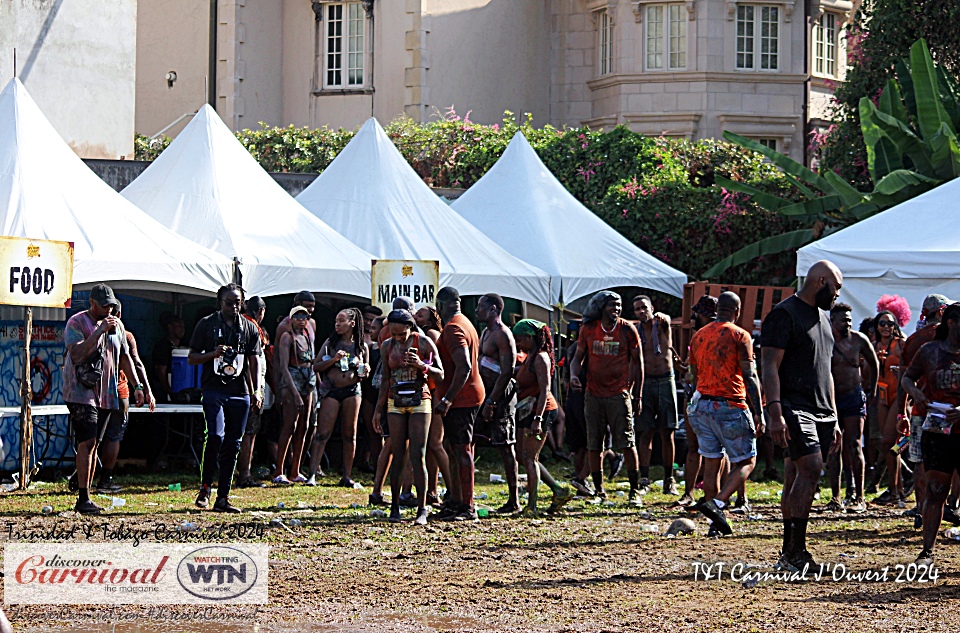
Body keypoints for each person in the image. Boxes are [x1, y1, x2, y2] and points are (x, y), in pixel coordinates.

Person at [761, 260, 842, 572]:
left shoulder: (822, 319)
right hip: (794, 406)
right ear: (820, 281)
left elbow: (828, 372)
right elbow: (769, 365)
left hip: (823, 410)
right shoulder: (784, 314)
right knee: (811, 467)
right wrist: (775, 411)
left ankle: (788, 553)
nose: (836, 295)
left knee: (796, 474)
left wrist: (834, 417)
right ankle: (797, 552)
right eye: (835, 288)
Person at [687, 292, 765, 534]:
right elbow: (750, 376)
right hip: (730, 404)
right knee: (746, 461)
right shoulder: (740, 335)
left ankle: (715, 525)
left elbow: (692, 375)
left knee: (712, 463)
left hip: (702, 406)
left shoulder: (699, 335)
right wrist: (759, 413)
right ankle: (718, 503)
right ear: (737, 311)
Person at [63, 284, 144, 514]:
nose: (109, 310)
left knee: (95, 443)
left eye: (112, 305)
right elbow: (76, 354)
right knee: (87, 442)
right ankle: (83, 498)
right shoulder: (77, 322)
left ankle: (81, 484)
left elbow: (125, 358)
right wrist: (98, 331)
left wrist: (136, 385)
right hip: (81, 392)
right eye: (104, 305)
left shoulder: (117, 326)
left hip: (107, 394)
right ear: (93, 303)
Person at [189, 283, 263, 513]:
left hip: (240, 392)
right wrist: (214, 353)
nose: (234, 307)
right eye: (229, 303)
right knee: (215, 436)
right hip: (214, 389)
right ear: (219, 303)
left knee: (234, 443)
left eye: (238, 303)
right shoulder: (207, 324)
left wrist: (257, 390)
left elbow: (254, 360)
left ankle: (223, 497)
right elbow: (192, 358)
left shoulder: (249, 328)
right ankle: (205, 487)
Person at [570, 291, 644, 504]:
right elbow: (577, 358)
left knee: (627, 443)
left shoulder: (627, 329)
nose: (617, 309)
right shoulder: (589, 329)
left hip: (619, 394)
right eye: (612, 305)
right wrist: (575, 376)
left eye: (619, 305)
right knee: (595, 444)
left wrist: (636, 395)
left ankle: (634, 490)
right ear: (601, 307)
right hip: (593, 394)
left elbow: (638, 364)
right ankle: (599, 491)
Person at [902, 302, 960, 566]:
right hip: (938, 431)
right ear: (951, 322)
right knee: (936, 489)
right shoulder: (929, 350)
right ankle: (927, 551)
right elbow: (907, 377)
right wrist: (916, 394)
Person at [373, 309, 444, 525]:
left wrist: (422, 365)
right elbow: (385, 378)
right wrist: (378, 409)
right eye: (393, 335)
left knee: (418, 453)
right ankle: (395, 506)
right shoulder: (387, 347)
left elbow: (440, 373)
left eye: (401, 335)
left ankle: (422, 508)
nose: (397, 339)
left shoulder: (423, 343)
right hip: (396, 401)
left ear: (410, 328)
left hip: (419, 400)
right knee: (397, 451)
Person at [433, 287, 486, 522]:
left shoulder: (453, 328)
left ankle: (467, 506)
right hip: (467, 395)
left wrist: (447, 399)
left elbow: (463, 366)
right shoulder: (465, 322)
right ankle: (455, 500)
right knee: (455, 448)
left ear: (440, 305)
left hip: (462, 399)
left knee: (463, 450)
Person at [513, 319, 575, 516]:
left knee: (530, 458)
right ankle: (558, 489)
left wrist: (538, 419)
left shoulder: (541, 358)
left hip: (542, 411)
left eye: (520, 340)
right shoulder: (530, 357)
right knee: (522, 456)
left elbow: (544, 389)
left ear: (530, 338)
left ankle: (531, 506)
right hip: (528, 410)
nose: (518, 344)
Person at [900, 294, 950, 528]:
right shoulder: (949, 338)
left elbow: (905, 379)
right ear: (942, 312)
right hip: (946, 410)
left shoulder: (913, 340)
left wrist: (902, 413)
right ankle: (947, 507)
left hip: (920, 411)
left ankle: (923, 509)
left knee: (921, 462)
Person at [96, 301, 156, 494]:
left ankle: (84, 477)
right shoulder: (125, 335)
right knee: (112, 437)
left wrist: (143, 388)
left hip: (97, 392)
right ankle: (104, 478)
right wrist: (145, 389)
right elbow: (137, 363)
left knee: (93, 438)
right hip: (117, 391)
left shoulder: (92, 332)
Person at [309, 308, 369, 487]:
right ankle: (312, 474)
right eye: (336, 321)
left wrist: (365, 369)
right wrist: (334, 360)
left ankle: (347, 476)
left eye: (341, 321)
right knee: (322, 433)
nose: (337, 324)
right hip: (332, 391)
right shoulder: (330, 343)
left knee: (350, 434)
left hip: (352, 391)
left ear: (352, 323)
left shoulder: (361, 345)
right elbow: (316, 366)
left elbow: (366, 370)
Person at [828, 303, 878, 513]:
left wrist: (871, 391)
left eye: (849, 319)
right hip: (830, 399)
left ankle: (859, 496)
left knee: (855, 444)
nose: (847, 323)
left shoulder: (859, 340)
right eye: (843, 320)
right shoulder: (825, 341)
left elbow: (874, 363)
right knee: (833, 446)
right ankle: (836, 496)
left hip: (853, 396)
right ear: (833, 322)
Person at [476, 293, 520, 514]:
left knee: (505, 445)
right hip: (486, 393)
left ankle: (514, 500)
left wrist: (492, 400)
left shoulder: (503, 335)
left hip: (500, 396)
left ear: (493, 309)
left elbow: (507, 371)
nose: (476, 311)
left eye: (480, 307)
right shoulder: (486, 332)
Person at [633, 295, 679, 496]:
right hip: (646, 382)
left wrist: (663, 316)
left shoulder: (661, 324)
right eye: (637, 309)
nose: (641, 311)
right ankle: (644, 477)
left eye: (644, 307)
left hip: (665, 380)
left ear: (651, 307)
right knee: (646, 432)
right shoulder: (635, 331)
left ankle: (669, 478)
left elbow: (667, 320)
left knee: (667, 431)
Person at [674, 295, 717, 506]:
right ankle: (690, 493)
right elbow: (692, 372)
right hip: (695, 397)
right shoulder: (698, 338)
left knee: (715, 450)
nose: (693, 317)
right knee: (694, 447)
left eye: (697, 313)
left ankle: (714, 497)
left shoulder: (719, 336)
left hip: (710, 398)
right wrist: (683, 369)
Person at [273, 306, 316, 485]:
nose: (301, 319)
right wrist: (294, 392)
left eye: (304, 316)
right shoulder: (287, 337)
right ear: (291, 319)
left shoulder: (307, 335)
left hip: (308, 379)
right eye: (297, 316)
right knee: (289, 425)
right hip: (293, 378)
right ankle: (279, 470)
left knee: (305, 425)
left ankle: (295, 470)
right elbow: (283, 366)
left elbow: (312, 360)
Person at [872, 309, 907, 505]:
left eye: (891, 323)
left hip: (899, 396)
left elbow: (912, 369)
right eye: (883, 323)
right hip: (882, 395)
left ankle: (894, 490)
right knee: (890, 445)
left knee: (889, 443)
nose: (887, 327)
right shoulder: (874, 345)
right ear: (877, 326)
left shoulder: (901, 344)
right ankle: (899, 488)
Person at [237, 296, 270, 488]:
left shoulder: (240, 324)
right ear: (261, 312)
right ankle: (245, 474)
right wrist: (254, 390)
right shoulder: (252, 328)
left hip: (246, 387)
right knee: (249, 433)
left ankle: (243, 472)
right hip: (250, 389)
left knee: (246, 432)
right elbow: (251, 363)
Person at [359, 305, 384, 473]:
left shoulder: (388, 349)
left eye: (374, 327)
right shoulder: (368, 347)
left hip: (384, 394)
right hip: (368, 394)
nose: (370, 328)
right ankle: (376, 466)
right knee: (372, 432)